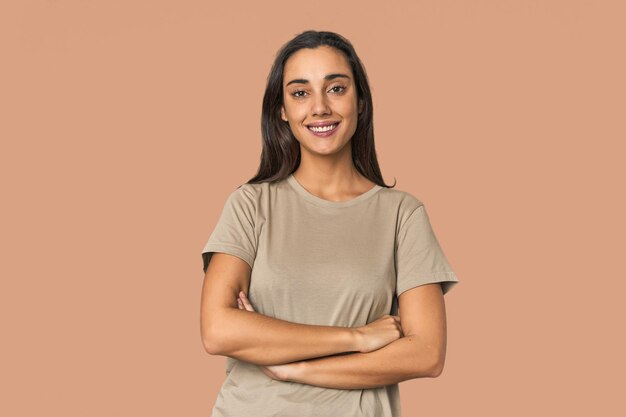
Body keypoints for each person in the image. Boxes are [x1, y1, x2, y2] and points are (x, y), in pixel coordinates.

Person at [199, 30, 460, 417]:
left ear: (361, 102)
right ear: (282, 111)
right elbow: (218, 330)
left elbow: (426, 353)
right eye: (300, 93)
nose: (319, 107)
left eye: (336, 88)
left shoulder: (402, 215)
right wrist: (358, 337)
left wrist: (298, 369)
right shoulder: (250, 205)